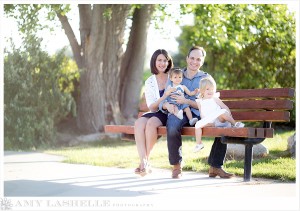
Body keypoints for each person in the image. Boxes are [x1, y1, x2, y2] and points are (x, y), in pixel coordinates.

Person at [160, 46, 235, 179]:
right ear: (187, 58)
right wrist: (166, 105)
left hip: (201, 113)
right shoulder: (176, 74)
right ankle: (176, 166)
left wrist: (187, 101)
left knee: (222, 125)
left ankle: (215, 166)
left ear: (202, 61)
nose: (195, 62)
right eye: (192, 58)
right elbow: (165, 98)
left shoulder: (206, 78)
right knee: (172, 127)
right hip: (179, 111)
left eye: (198, 59)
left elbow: (209, 102)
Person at [134, 49, 174, 177]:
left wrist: (165, 101)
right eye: (159, 60)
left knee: (151, 123)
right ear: (154, 62)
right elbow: (152, 106)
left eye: (165, 60)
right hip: (155, 110)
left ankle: (144, 162)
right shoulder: (150, 81)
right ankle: (144, 161)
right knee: (139, 123)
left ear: (168, 62)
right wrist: (163, 98)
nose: (162, 63)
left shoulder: (173, 77)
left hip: (168, 112)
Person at [194, 76, 245, 153]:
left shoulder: (214, 98)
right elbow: (201, 112)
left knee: (222, 112)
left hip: (220, 119)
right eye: (208, 89)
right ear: (202, 90)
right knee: (197, 125)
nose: (210, 91)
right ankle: (199, 143)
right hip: (211, 122)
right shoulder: (199, 101)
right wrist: (203, 121)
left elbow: (224, 107)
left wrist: (228, 114)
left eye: (212, 89)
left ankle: (235, 124)